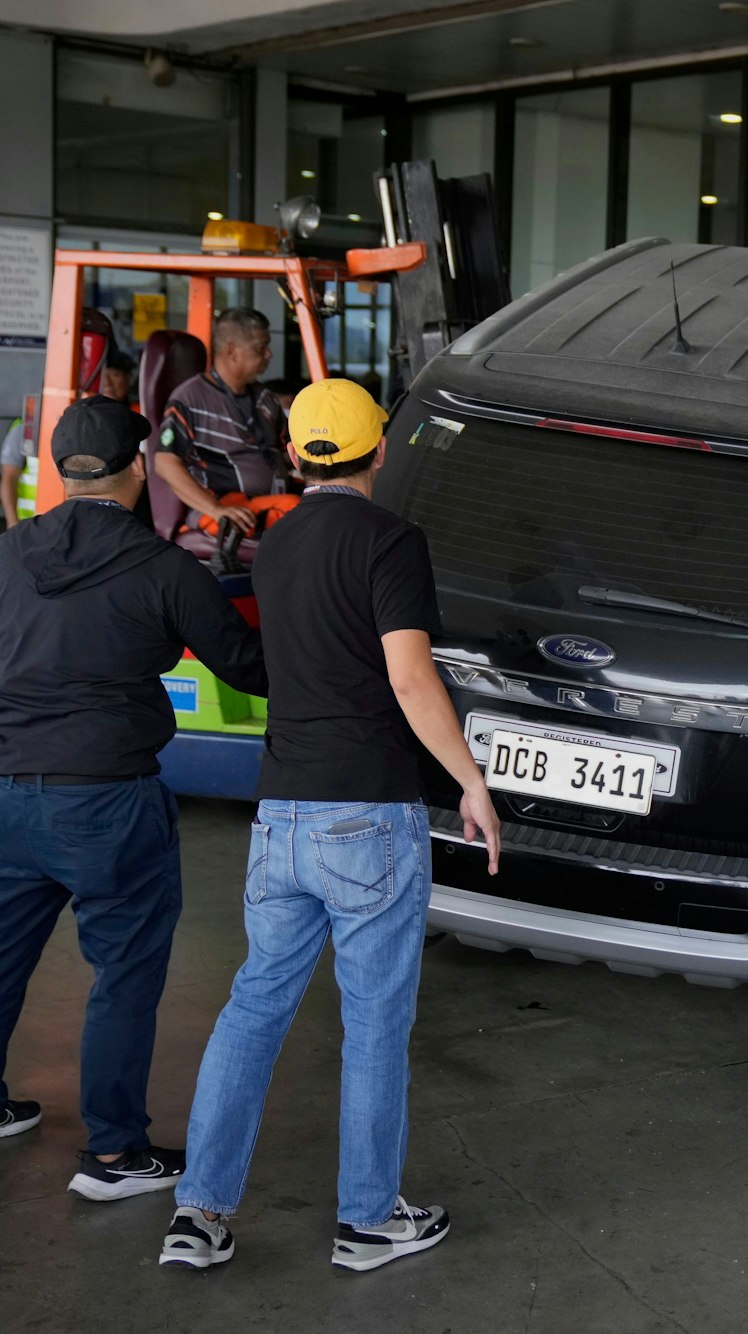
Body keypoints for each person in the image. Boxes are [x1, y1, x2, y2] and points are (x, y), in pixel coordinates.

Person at [161, 378, 500, 1274]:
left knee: (253, 1006)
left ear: (298, 456)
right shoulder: (391, 540)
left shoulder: (276, 547)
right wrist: (469, 778)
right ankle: (366, 1219)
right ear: (379, 451)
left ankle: (198, 1212)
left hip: (282, 813)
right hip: (368, 814)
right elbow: (410, 679)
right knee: (375, 1022)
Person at [0, 396, 266, 1194]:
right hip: (109, 803)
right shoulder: (164, 568)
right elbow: (248, 670)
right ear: (139, 470)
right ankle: (113, 1155)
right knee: (123, 974)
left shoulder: (8, 554)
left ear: (55, 470)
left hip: (8, 793)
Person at [151, 307, 291, 540]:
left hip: (269, 504)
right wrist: (215, 509)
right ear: (231, 351)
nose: (269, 355)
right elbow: (165, 462)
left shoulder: (265, 398)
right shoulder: (190, 399)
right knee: (299, 515)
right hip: (227, 510)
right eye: (260, 347)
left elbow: (289, 450)